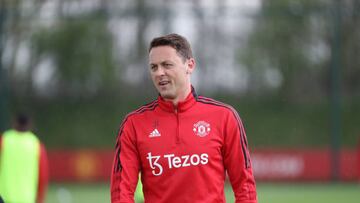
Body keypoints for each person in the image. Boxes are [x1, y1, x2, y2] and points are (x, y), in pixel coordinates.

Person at [110, 33, 257, 203]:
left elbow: (245, 188)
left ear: (190, 65)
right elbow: (121, 192)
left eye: (167, 65)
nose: (159, 73)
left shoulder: (224, 117)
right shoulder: (134, 124)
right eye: (154, 67)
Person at [0, 113, 49, 203]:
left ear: (14, 123)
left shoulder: (4, 139)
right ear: (30, 125)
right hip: (27, 199)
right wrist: (40, 199)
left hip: (5, 197)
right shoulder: (36, 144)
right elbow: (43, 176)